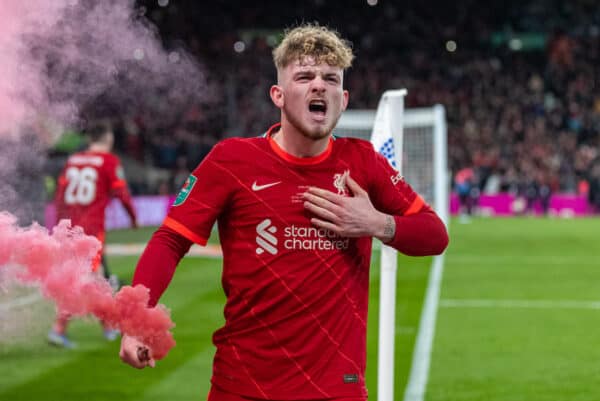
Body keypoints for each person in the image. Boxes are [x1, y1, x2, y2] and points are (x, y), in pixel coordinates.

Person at [119, 24, 448, 401]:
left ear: (343, 97)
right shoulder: (232, 160)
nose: (319, 85)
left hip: (335, 390)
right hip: (241, 387)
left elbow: (435, 234)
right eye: (304, 76)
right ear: (278, 94)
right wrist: (135, 321)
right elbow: (170, 239)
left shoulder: (364, 163)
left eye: (330, 78)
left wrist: (376, 223)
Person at [48, 120, 138, 348]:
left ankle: (107, 327)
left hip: (67, 227)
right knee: (88, 280)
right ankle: (59, 329)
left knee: (88, 277)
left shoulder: (72, 161)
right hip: (90, 230)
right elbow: (122, 194)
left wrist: (59, 226)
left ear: (89, 140)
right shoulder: (109, 161)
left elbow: (59, 195)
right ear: (109, 140)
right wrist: (134, 218)